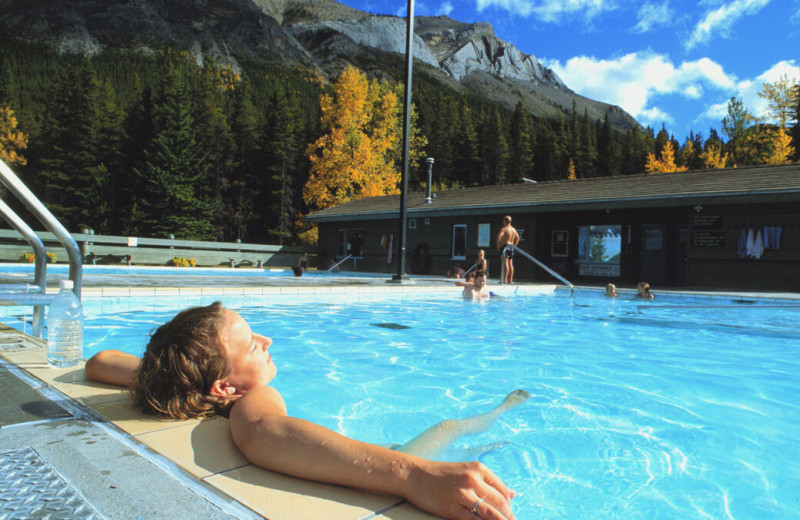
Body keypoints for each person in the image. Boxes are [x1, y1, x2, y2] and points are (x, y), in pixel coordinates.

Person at [85, 302, 527, 520]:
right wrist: (414, 475)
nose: (268, 343)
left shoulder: (184, 382)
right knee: (449, 425)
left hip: (344, 452)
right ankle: (505, 409)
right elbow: (265, 433)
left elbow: (101, 360)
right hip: (370, 461)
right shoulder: (249, 399)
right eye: (252, 343)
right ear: (225, 386)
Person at [496, 216, 520, 284]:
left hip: (505, 246)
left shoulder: (504, 229)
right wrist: (514, 245)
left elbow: (499, 237)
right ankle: (510, 280)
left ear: (504, 221)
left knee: (505, 262)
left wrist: (498, 245)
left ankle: (505, 280)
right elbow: (517, 238)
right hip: (511, 246)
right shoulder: (513, 229)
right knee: (510, 263)